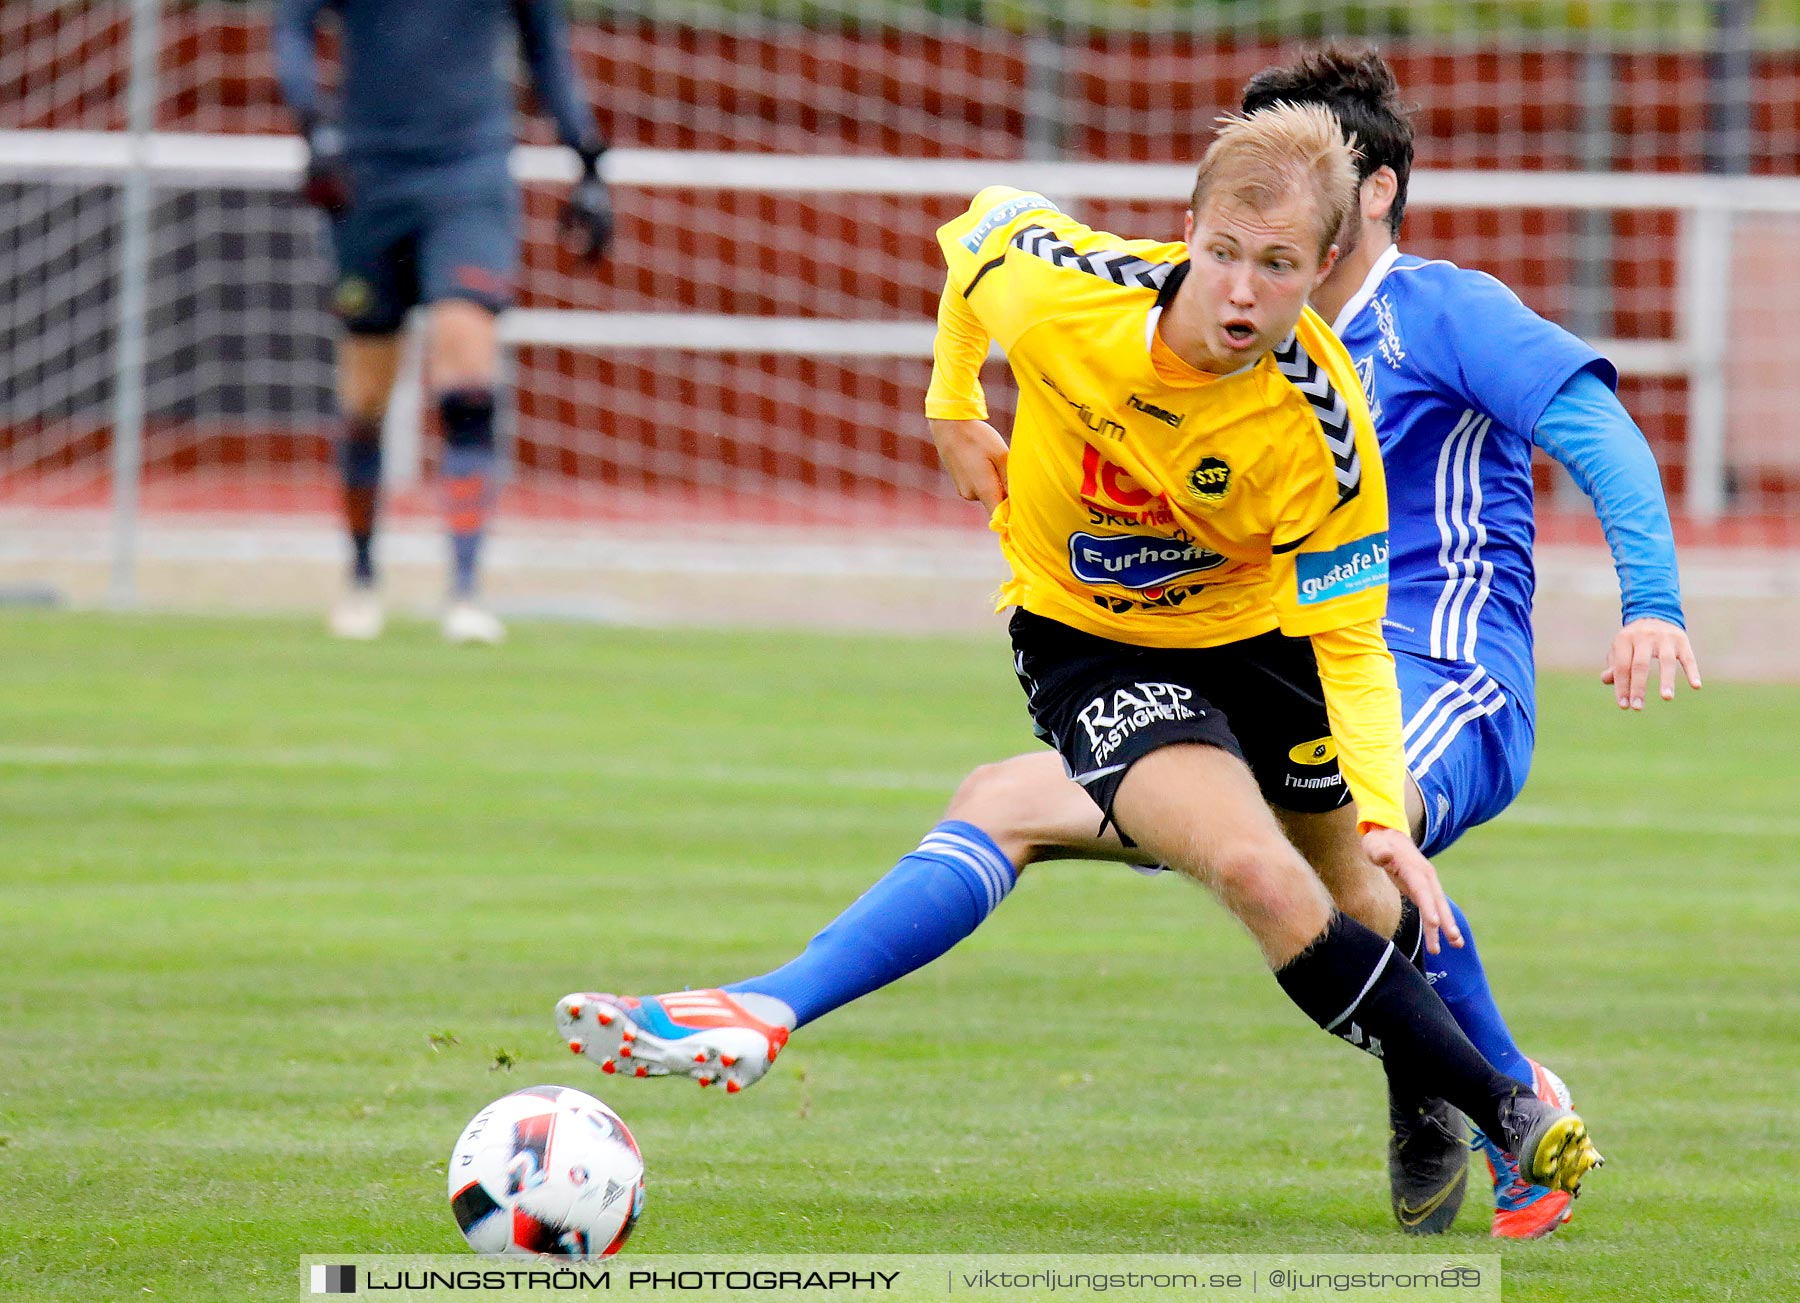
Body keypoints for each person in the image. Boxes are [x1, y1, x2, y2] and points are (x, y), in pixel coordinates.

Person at [557, 104, 1603, 1212]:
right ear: (1187, 229)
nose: (1244, 289)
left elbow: (1349, 643)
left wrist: (1382, 807)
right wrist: (952, 403)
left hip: (1257, 641)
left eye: (1280, 265)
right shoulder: (1068, 290)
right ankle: (1508, 1107)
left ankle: (1429, 1086)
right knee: (1257, 873)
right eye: (1225, 255)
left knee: (1358, 887)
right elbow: (976, 239)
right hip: (1090, 644)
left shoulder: (1323, 428)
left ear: (1326, 266)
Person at [274, 0, 614, 644]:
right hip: (367, 179)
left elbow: (547, 48)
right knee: (366, 397)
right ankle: (363, 576)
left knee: (467, 376)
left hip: (469, 177)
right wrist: (312, 127)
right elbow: (292, 23)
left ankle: (464, 590)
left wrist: (588, 158)